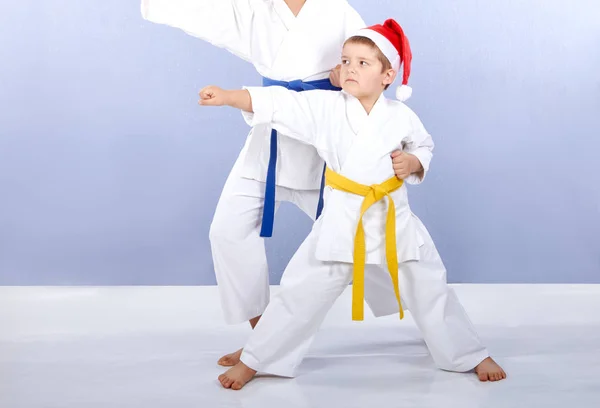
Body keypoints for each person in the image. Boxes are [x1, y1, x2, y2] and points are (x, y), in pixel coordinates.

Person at [199, 18, 507, 390]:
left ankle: (468, 353)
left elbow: (423, 146)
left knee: (431, 287)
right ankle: (257, 359)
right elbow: (279, 104)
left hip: (394, 223)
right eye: (346, 60)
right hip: (341, 221)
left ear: (387, 75)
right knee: (299, 291)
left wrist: (414, 163)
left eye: (363, 62)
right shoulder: (325, 107)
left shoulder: (401, 116)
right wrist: (231, 96)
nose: (350, 68)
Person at [142, 0, 408, 367]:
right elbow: (201, 13)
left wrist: (361, 111)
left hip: (327, 136)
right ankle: (264, 339)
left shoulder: (338, 11)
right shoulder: (254, 9)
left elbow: (372, 67)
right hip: (271, 132)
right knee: (227, 231)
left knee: (375, 236)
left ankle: (436, 319)